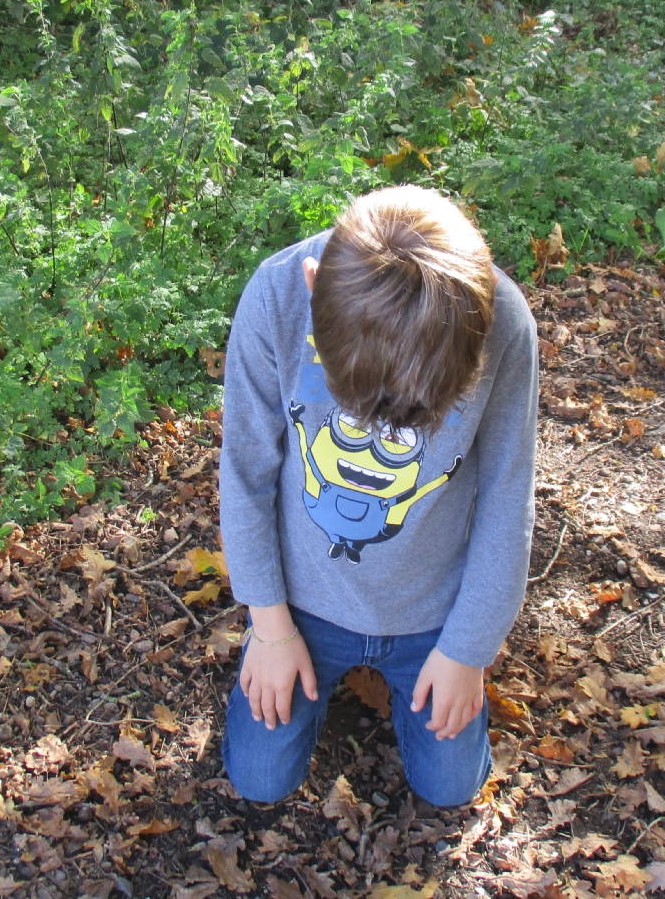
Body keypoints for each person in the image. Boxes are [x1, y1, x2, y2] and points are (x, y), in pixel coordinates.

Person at [217, 185, 538, 808]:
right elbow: (247, 472)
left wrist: (467, 650)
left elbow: (507, 498)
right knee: (259, 781)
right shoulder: (278, 294)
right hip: (302, 605)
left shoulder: (503, 326)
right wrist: (271, 627)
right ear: (314, 289)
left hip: (432, 613)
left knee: (451, 789)